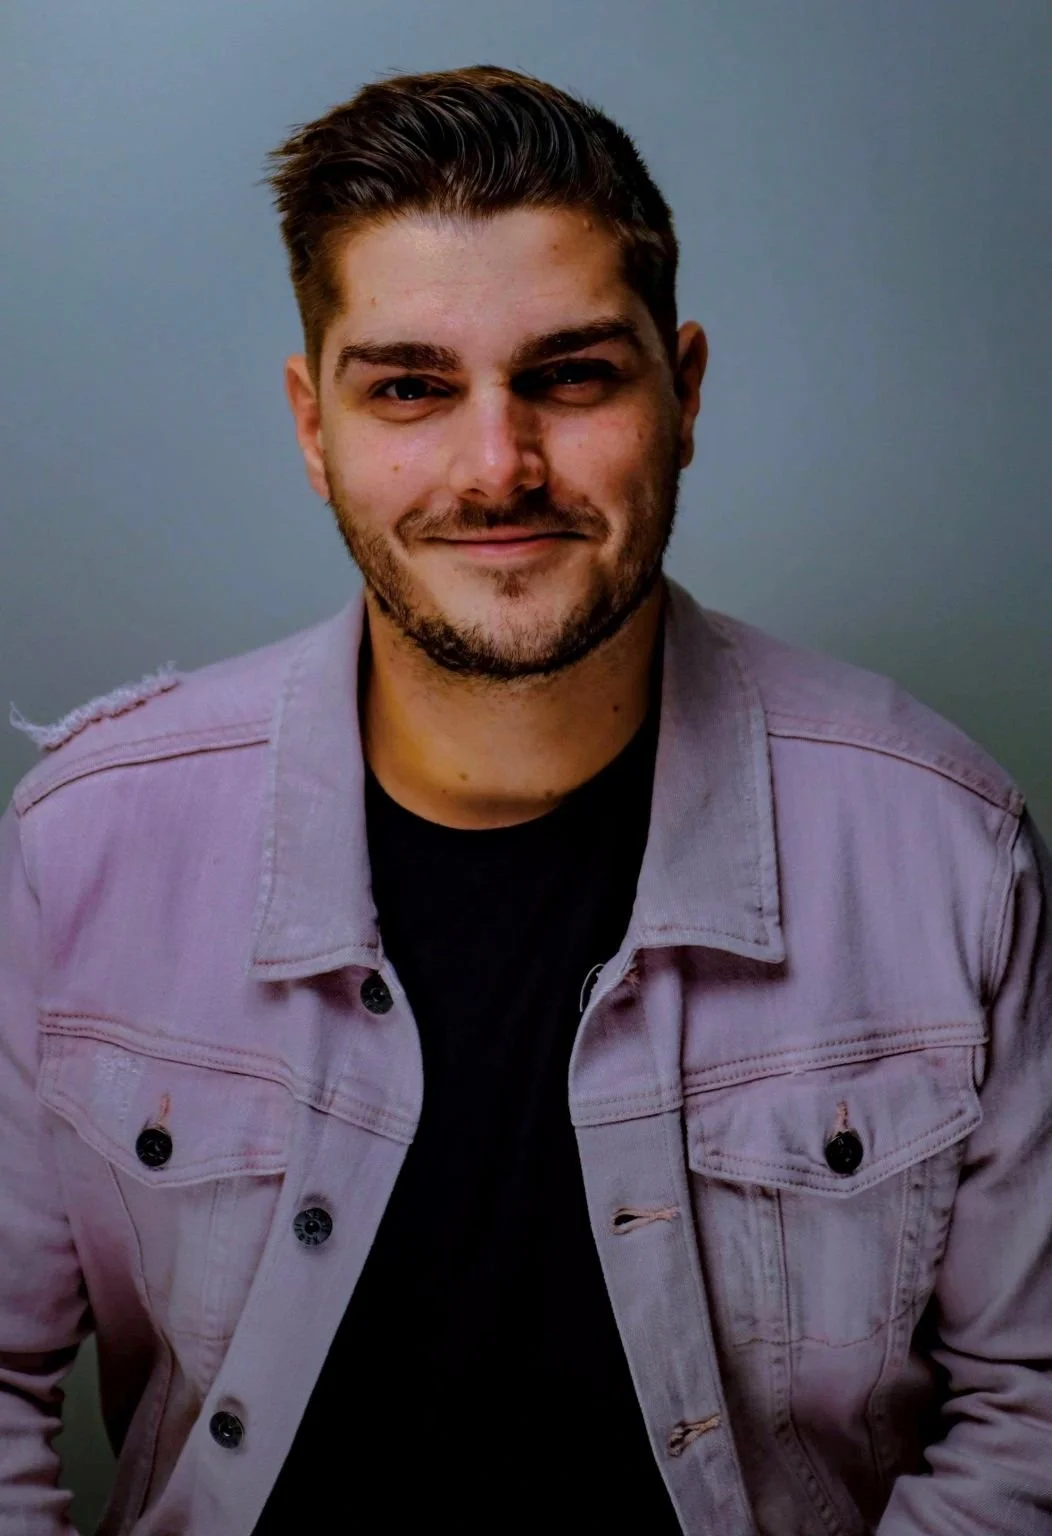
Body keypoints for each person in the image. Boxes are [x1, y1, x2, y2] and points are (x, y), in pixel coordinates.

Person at [1, 63, 1049, 1536]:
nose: (498, 467)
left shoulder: (946, 849)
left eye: (571, 375)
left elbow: (1034, 1414)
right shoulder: (85, 846)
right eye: (412, 388)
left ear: (683, 394)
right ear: (315, 428)